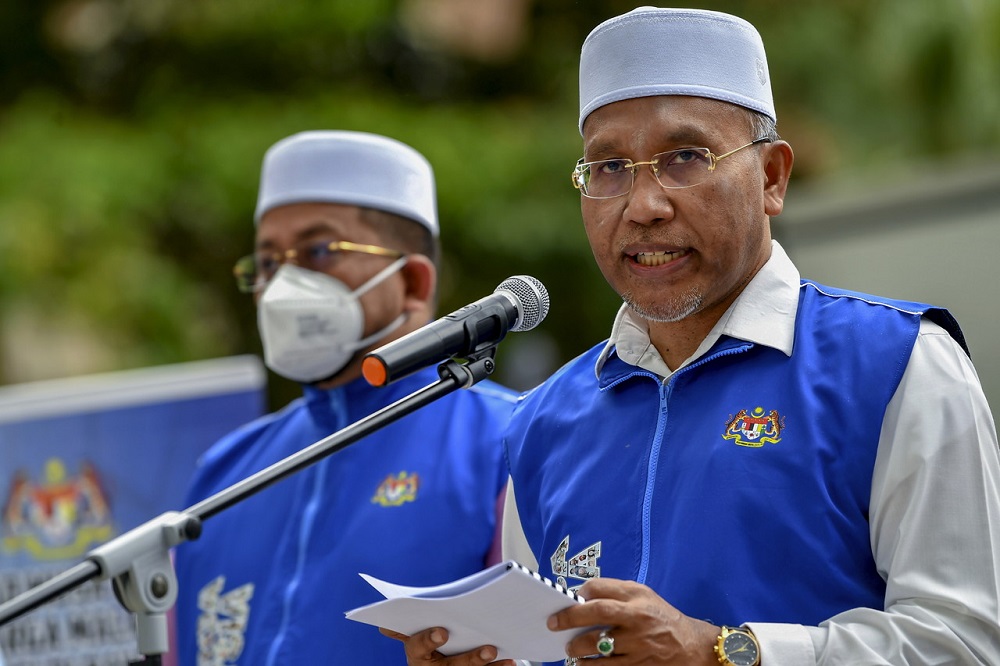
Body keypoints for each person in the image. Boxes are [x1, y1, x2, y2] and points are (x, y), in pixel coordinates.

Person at [387, 7, 1000, 666]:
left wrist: (725, 652)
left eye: (685, 157)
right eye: (609, 168)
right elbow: (551, 647)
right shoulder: (542, 421)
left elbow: (966, 641)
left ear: (772, 178)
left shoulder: (894, 363)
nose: (643, 205)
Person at [173, 130, 518, 664]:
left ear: (411, 284)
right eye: (267, 263)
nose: (283, 283)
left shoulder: (510, 444)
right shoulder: (225, 473)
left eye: (318, 251)